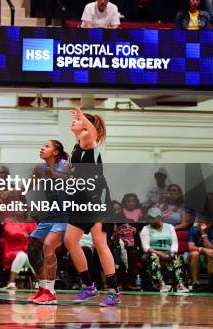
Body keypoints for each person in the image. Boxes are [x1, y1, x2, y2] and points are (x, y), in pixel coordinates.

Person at [63, 107, 120, 306]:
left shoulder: (88, 138)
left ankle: (113, 291)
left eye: (77, 120)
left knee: (99, 242)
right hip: (81, 199)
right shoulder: (77, 145)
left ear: (85, 125)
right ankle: (89, 286)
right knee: (70, 240)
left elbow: (94, 132)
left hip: (97, 199)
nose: (73, 122)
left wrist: (84, 119)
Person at [25, 140, 71, 304]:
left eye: (47, 146)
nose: (42, 148)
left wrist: (56, 174)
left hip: (66, 214)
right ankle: (43, 287)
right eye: (42, 145)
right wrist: (11, 191)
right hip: (50, 214)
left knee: (48, 246)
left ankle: (51, 292)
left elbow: (74, 182)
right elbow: (28, 186)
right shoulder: (39, 168)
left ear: (56, 151)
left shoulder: (65, 164)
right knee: (32, 248)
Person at [139, 207, 189, 292]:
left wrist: (171, 254)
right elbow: (145, 247)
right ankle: (161, 285)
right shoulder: (146, 229)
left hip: (168, 253)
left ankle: (180, 284)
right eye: (150, 217)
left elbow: (174, 243)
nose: (152, 220)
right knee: (153, 257)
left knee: (178, 258)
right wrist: (159, 254)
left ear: (160, 217)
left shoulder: (170, 227)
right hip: (152, 252)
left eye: (154, 217)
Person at [187, 213, 213, 290]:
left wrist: (203, 233)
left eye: (202, 222)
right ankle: (195, 282)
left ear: (209, 224)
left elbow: (211, 248)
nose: (200, 224)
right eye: (199, 222)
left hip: (206, 254)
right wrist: (203, 249)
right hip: (190, 254)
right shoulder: (193, 230)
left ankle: (212, 282)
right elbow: (191, 247)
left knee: (211, 253)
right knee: (195, 254)